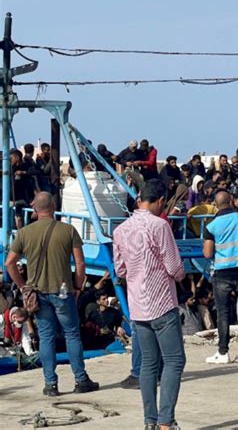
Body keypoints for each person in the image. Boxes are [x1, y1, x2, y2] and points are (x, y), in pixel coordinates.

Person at [5, 192, 99, 396]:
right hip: (64, 292)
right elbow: (80, 263)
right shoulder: (68, 230)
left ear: (35, 209)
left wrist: (22, 286)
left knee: (46, 337)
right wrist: (77, 286)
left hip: (38, 295)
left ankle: (50, 384)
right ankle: (81, 380)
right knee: (72, 335)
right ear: (54, 206)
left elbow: (9, 263)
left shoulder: (24, 233)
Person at [114, 179, 186, 430]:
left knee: (148, 364)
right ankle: (166, 421)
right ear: (160, 201)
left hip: (138, 305)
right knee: (174, 361)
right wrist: (181, 276)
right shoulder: (160, 226)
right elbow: (174, 267)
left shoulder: (120, 230)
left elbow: (120, 269)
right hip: (162, 303)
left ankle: (150, 421)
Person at [203, 191, 238, 364]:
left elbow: (208, 253)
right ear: (232, 201)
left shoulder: (211, 226)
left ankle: (223, 352)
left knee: (223, 314)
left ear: (215, 205)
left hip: (222, 273)